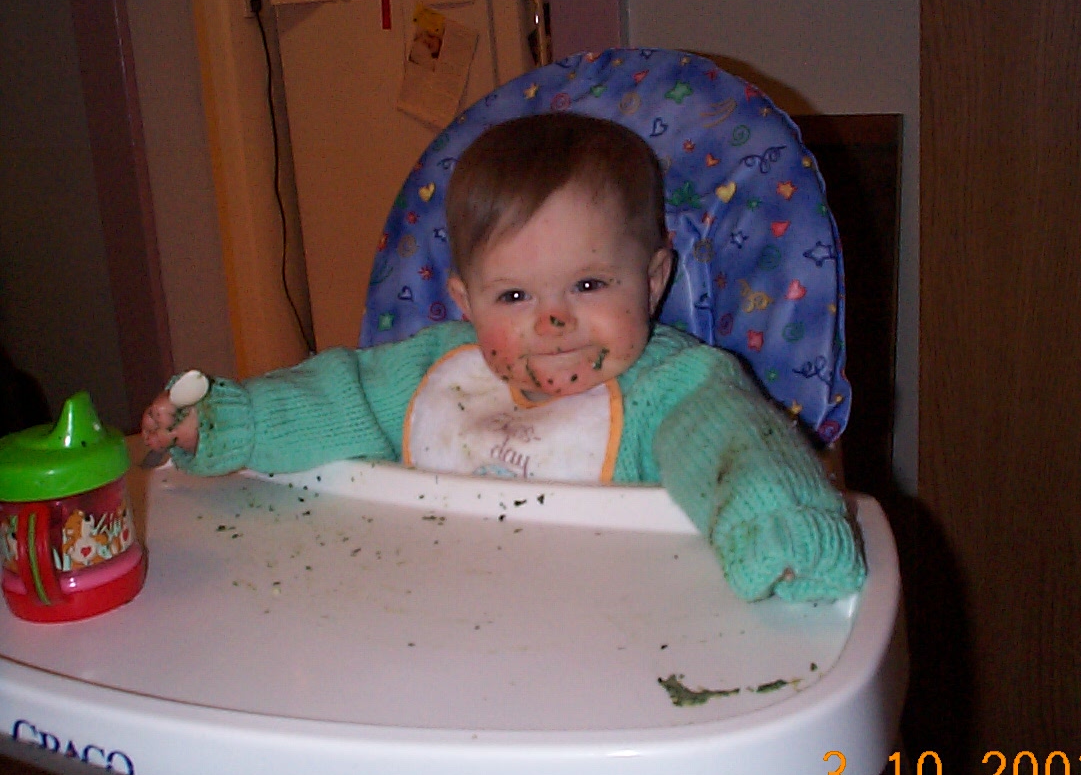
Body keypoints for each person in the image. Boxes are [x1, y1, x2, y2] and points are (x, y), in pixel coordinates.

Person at [142, 113, 865, 603]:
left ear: (652, 280)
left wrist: (777, 529)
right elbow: (335, 398)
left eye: (589, 284)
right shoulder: (434, 377)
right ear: (465, 300)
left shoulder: (673, 386)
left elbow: (737, 446)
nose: (553, 320)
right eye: (514, 295)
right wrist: (227, 423)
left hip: (608, 640)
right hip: (428, 623)